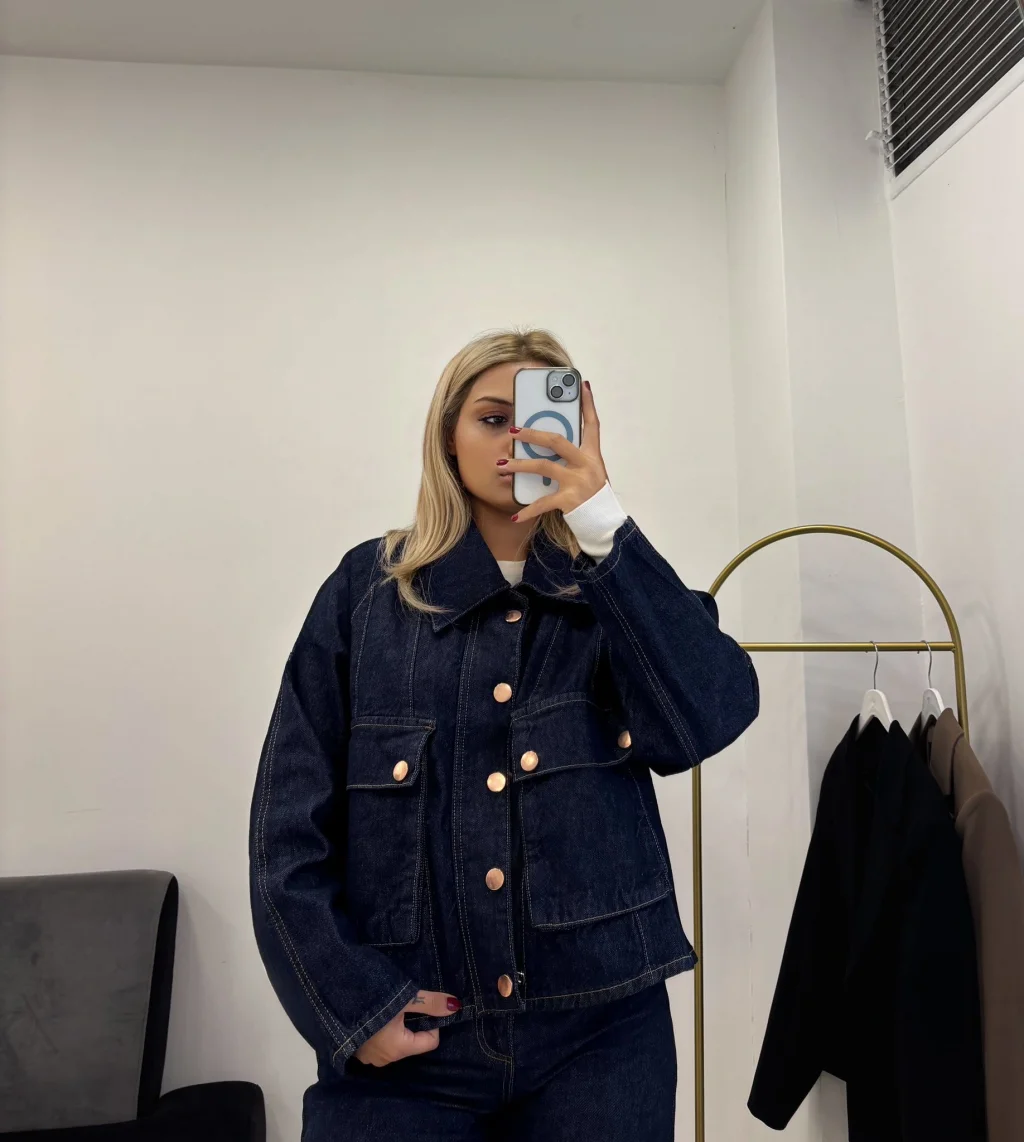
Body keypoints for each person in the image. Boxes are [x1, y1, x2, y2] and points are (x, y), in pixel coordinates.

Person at [248, 327, 759, 1140]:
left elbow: (709, 717)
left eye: (542, 419)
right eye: (492, 418)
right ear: (448, 438)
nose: (517, 439)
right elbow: (287, 830)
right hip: (409, 1048)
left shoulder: (618, 594)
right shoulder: (364, 596)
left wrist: (602, 519)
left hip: (603, 1042)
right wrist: (351, 1006)